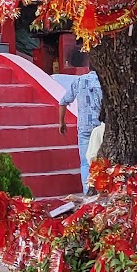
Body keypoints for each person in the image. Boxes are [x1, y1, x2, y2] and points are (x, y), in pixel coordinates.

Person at [58, 44, 103, 192]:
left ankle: (87, 191)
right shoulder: (105, 82)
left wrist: (62, 122)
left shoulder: (79, 81)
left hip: (84, 127)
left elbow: (63, 102)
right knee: (101, 160)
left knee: (85, 162)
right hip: (101, 126)